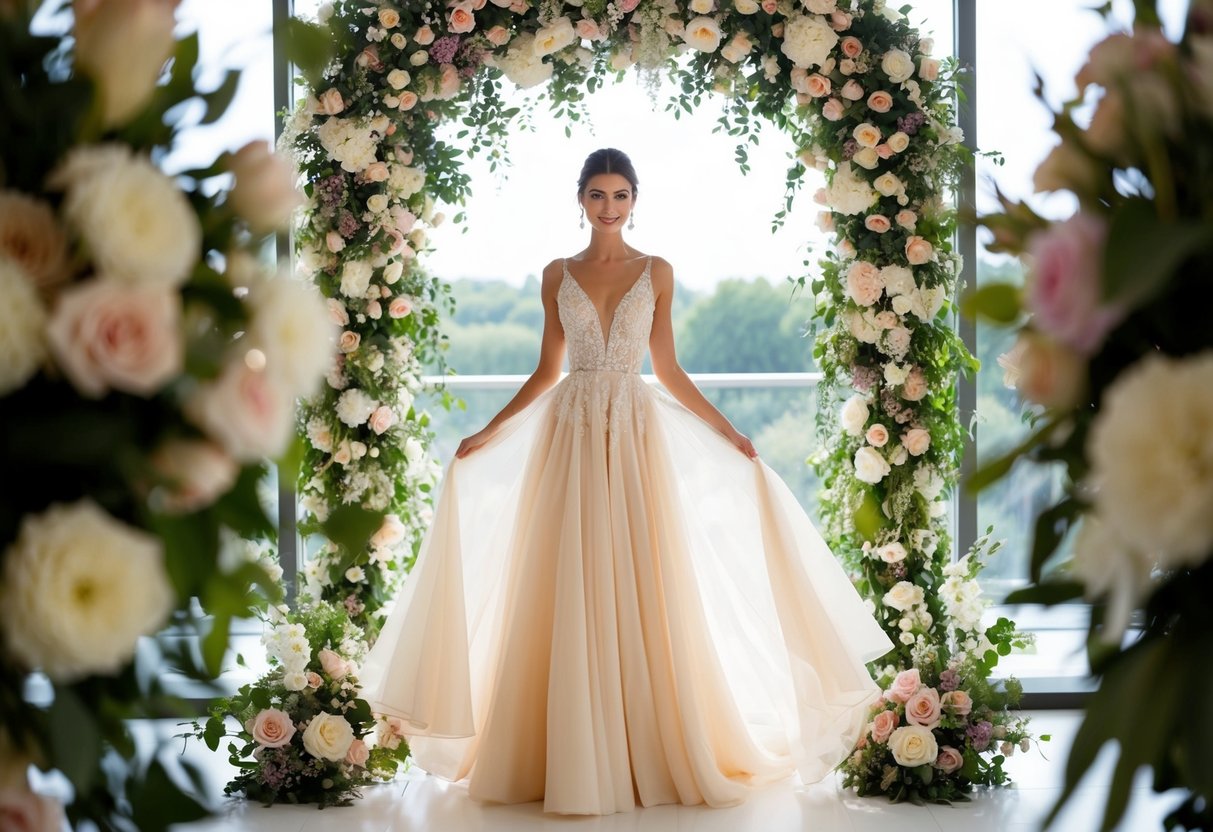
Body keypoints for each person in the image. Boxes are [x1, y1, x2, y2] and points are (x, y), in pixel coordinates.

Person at [360, 148, 894, 816]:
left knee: (640, 574)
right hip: (572, 430)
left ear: (633, 200)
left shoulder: (657, 271)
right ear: (579, 200)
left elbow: (666, 369)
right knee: (564, 576)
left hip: (634, 431)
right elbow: (544, 369)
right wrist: (487, 432)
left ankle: (643, 746)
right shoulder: (556, 273)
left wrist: (728, 431)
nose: (607, 207)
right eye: (596, 195)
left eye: (618, 195)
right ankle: (557, 750)